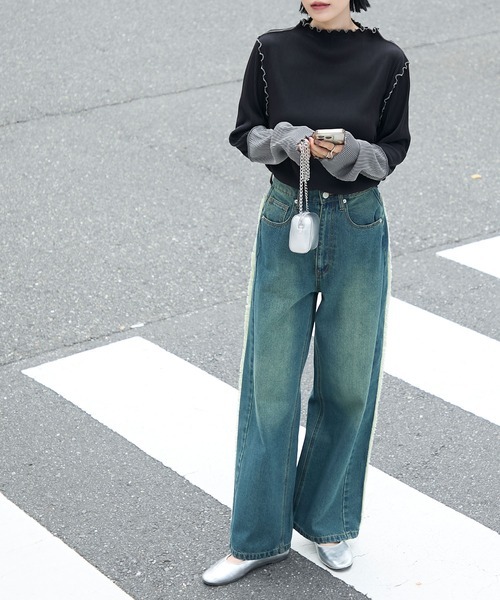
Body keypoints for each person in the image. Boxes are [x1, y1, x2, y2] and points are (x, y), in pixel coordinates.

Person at [202, 0, 410, 586]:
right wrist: (287, 141)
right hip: (284, 217)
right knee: (269, 387)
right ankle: (257, 538)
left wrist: (346, 150)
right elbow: (246, 134)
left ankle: (328, 523)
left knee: (348, 386)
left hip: (358, 224)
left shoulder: (388, 60)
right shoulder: (272, 50)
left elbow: (391, 152)